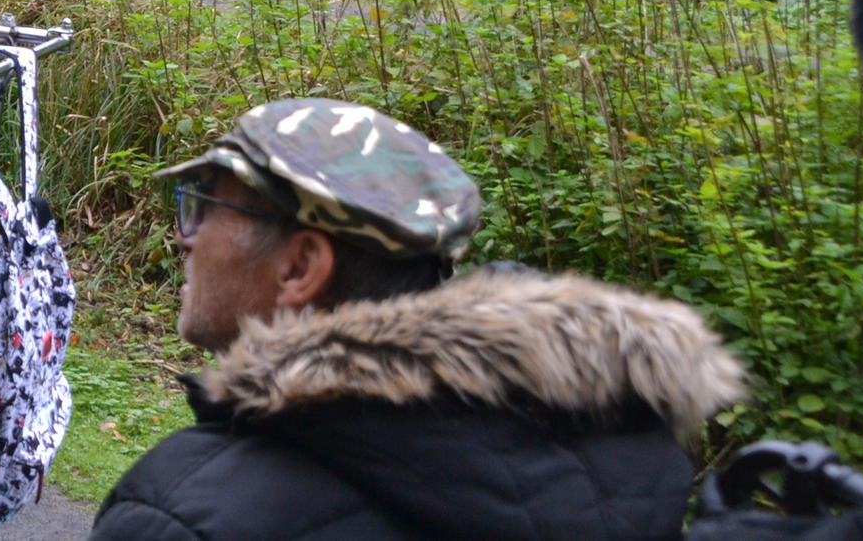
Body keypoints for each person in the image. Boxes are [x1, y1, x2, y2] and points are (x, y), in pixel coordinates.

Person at [86, 99, 745, 541]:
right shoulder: (615, 453)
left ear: (299, 266)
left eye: (205, 206)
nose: (186, 236)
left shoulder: (183, 515)